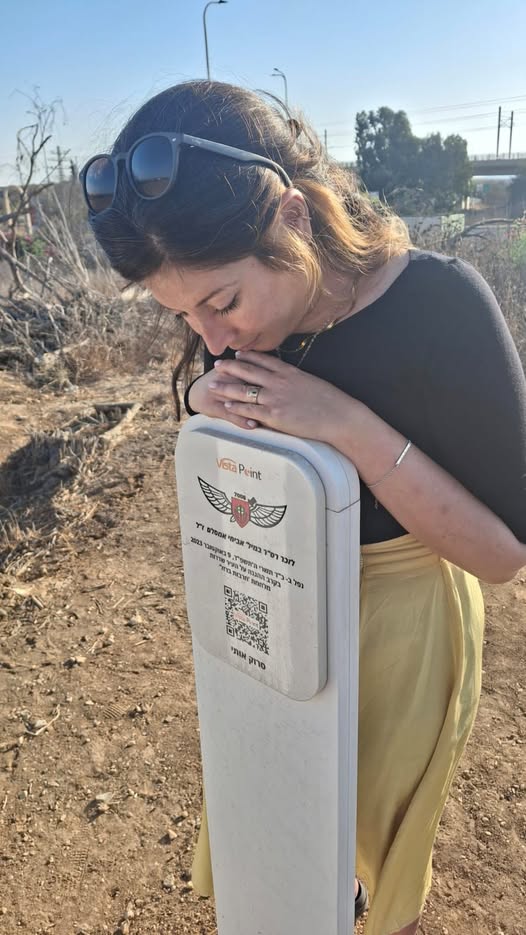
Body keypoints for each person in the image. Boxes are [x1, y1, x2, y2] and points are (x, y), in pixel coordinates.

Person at [81, 80, 526, 935]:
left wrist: (344, 425)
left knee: (368, 858)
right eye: (183, 315)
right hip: (267, 600)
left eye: (221, 302)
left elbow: (503, 554)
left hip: (402, 628)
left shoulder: (440, 303)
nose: (212, 338)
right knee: (275, 833)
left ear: (291, 218)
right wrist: (211, 410)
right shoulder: (238, 324)